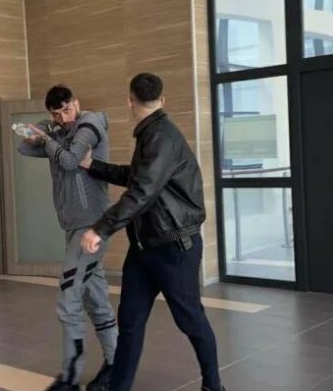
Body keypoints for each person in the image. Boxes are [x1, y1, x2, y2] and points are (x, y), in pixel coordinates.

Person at [80, 73, 226, 391]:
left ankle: (214, 386)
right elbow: (139, 177)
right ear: (162, 100)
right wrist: (95, 166)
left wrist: (100, 228)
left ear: (129, 101)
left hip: (174, 248)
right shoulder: (152, 134)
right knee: (130, 321)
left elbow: (141, 192)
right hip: (145, 247)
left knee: (190, 319)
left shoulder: (162, 136)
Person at [18, 85, 117, 391]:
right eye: (56, 114)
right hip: (74, 227)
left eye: (66, 109)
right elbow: (25, 149)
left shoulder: (89, 125)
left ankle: (70, 378)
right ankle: (117, 363)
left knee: (68, 300)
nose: (64, 117)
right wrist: (43, 132)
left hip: (92, 227)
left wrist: (47, 138)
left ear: (76, 102)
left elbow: (71, 161)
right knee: (95, 299)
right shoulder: (59, 133)